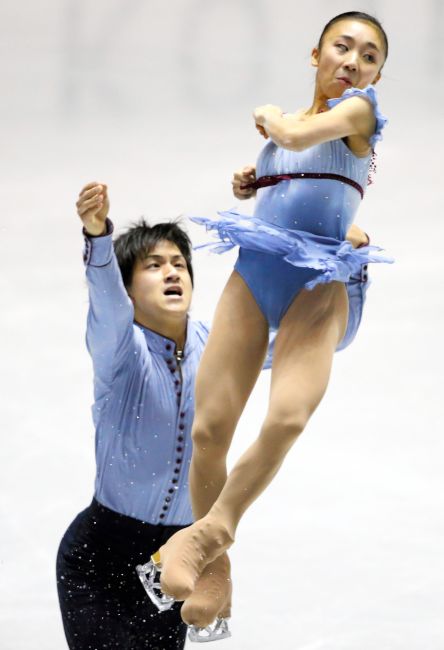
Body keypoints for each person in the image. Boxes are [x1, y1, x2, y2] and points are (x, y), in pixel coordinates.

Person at [147, 10, 393, 632]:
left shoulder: (358, 112)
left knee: (287, 416)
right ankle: (216, 573)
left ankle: (209, 534)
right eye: (343, 47)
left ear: (376, 75)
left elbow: (295, 136)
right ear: (316, 54)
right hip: (257, 272)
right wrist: (253, 180)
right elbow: (292, 169)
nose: (353, 61)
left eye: (369, 56)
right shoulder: (295, 132)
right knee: (209, 430)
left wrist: (270, 117)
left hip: (318, 283)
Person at [56, 182, 218, 649]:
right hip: (98, 562)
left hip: (173, 563)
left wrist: (350, 273)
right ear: (128, 289)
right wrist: (98, 237)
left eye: (179, 264)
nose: (172, 272)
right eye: (154, 265)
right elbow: (105, 301)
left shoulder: (219, 346)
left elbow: (304, 343)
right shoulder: (119, 350)